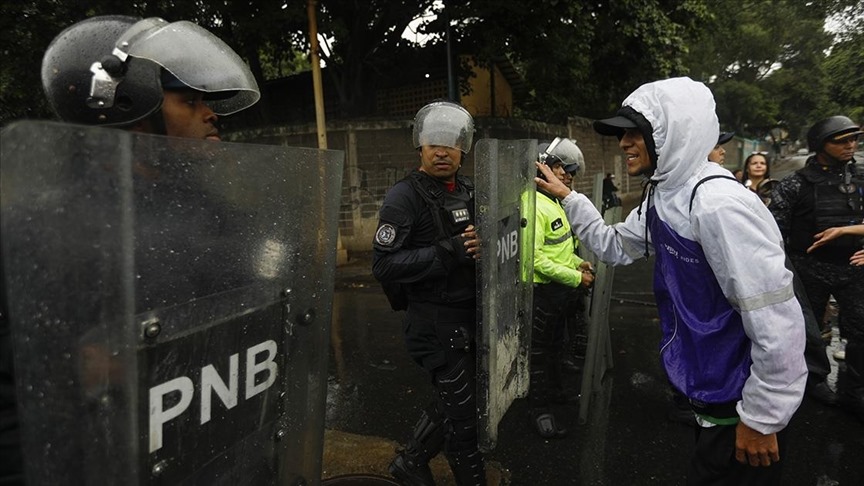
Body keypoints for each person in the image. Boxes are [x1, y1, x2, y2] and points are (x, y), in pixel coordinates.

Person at [0, 14, 259, 485]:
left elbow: (253, 338)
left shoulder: (218, 216)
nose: (212, 113)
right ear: (130, 112)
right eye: (190, 100)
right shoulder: (41, 229)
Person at [535, 76, 806, 484]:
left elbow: (775, 316)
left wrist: (764, 417)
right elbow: (612, 245)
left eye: (635, 133)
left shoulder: (718, 205)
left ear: (673, 134)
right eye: (622, 134)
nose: (624, 143)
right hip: (709, 388)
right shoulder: (665, 195)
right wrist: (569, 197)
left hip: (740, 400)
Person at [371, 101, 485, 486]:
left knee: (455, 401)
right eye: (433, 143)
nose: (442, 151)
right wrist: (447, 251)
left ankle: (412, 461)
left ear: (463, 148)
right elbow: (383, 265)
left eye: (450, 143)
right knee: (465, 426)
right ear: (419, 147)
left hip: (467, 316)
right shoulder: (404, 197)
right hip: (433, 323)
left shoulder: (468, 190)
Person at [769, 116, 864, 422]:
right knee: (806, 332)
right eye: (841, 140)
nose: (850, 145)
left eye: (854, 139)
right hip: (808, 268)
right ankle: (813, 382)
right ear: (821, 145)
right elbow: (773, 230)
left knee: (861, 331)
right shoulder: (796, 183)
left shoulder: (862, 176)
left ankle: (854, 391)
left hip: (854, 267)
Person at [529, 138, 594, 439]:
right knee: (539, 354)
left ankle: (554, 394)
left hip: (559, 293)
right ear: (542, 168)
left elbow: (561, 250)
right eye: (559, 168)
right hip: (542, 293)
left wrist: (577, 264)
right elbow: (534, 259)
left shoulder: (553, 201)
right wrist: (574, 277)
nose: (565, 175)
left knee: (555, 347)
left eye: (567, 170)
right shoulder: (532, 204)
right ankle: (539, 411)